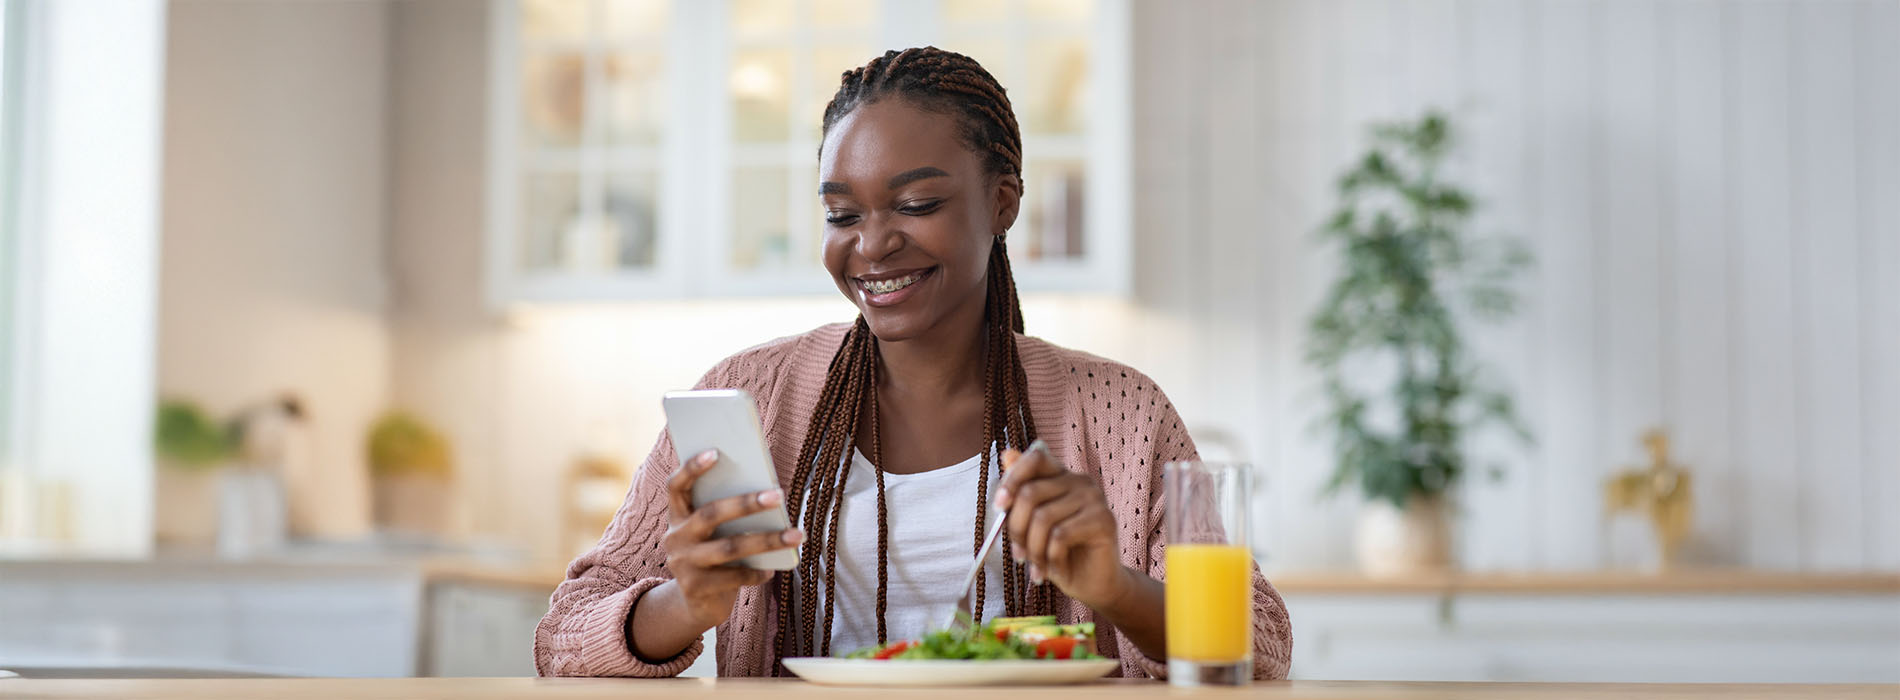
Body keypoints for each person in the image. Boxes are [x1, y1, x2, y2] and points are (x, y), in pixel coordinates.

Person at [534, 47, 1291, 680]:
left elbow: (1259, 643)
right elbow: (561, 637)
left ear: (1002, 203)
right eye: (842, 214)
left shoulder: (1120, 410)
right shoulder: (752, 395)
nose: (871, 244)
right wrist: (686, 605)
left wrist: (1115, 590)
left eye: (917, 204)